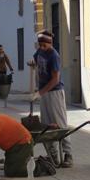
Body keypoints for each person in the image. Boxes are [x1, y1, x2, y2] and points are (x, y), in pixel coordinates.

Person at [28, 30, 73, 168]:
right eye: (39, 45)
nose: (41, 48)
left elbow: (55, 79)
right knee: (46, 124)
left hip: (55, 93)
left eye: (44, 45)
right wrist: (32, 63)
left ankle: (68, 154)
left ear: (50, 44)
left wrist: (39, 93)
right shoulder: (40, 52)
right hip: (44, 93)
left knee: (60, 124)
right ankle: (53, 154)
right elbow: (36, 60)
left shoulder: (54, 56)